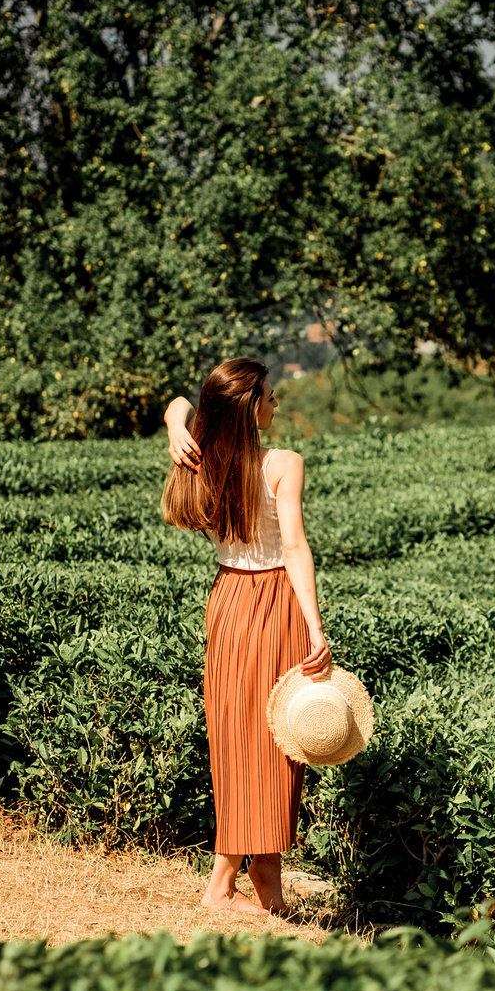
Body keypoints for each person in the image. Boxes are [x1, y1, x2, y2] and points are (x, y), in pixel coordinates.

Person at [162, 361, 331, 916]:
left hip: (229, 601)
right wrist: (316, 627)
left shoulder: (202, 460)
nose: (276, 400)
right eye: (268, 394)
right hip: (276, 600)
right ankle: (238, 879)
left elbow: (180, 405)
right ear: (250, 406)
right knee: (279, 740)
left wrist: (175, 424)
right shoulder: (283, 463)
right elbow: (296, 549)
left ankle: (250, 877)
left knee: (236, 737)